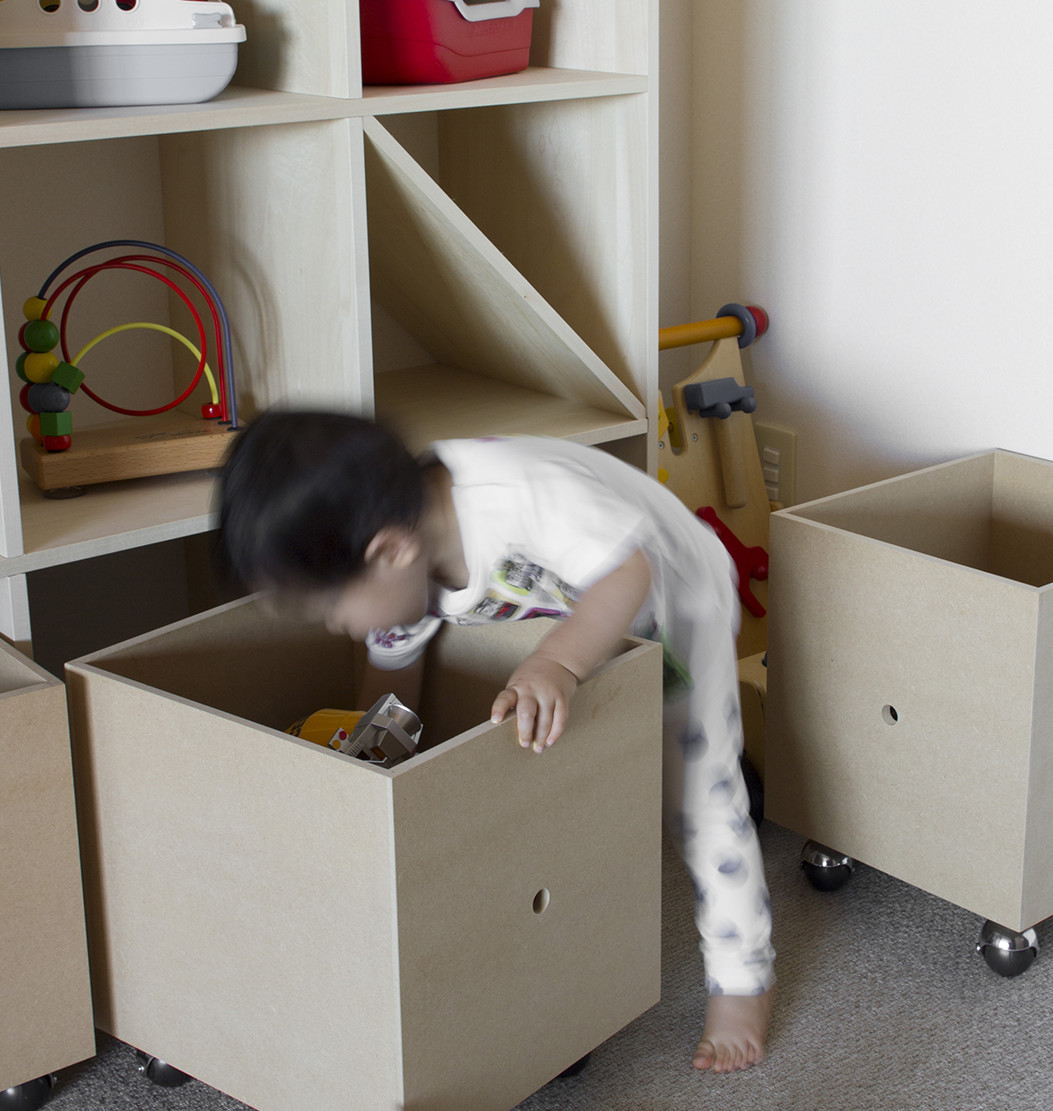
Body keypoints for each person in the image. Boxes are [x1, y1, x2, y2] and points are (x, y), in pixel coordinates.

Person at [216, 410, 775, 1073]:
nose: (334, 626)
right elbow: (393, 664)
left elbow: (628, 573)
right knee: (558, 766)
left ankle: (743, 984)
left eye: (329, 608)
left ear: (391, 552)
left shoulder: (518, 499)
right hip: (566, 601)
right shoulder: (405, 555)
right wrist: (367, 756)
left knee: (699, 793)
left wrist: (559, 663)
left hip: (670, 596)